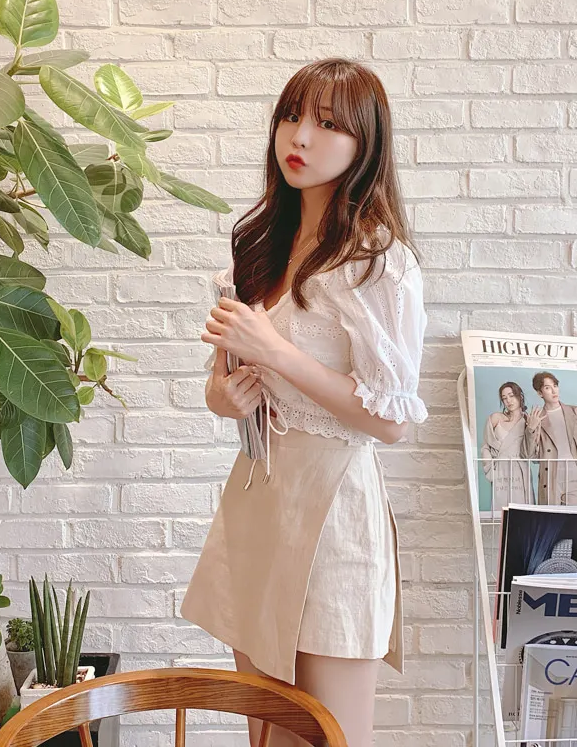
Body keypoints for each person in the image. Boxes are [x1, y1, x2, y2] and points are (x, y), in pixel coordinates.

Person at [180, 58, 428, 747]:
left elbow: (392, 421)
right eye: (291, 116)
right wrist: (224, 396)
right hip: (259, 494)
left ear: (365, 144)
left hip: (334, 510)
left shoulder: (378, 263)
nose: (300, 137)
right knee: (266, 732)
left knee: (328, 736)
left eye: (327, 123)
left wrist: (276, 350)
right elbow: (226, 382)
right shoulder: (260, 244)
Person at [525, 371, 577, 506]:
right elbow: (530, 455)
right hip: (550, 480)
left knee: (574, 518)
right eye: (547, 387)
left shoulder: (576, 413)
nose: (553, 391)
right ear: (539, 393)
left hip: (575, 478)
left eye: (555, 386)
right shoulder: (536, 418)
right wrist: (531, 430)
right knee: (553, 519)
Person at [481, 381, 533, 511]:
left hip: (520, 470)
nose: (508, 401)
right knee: (500, 512)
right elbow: (486, 446)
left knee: (521, 511)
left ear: (520, 396)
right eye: (504, 398)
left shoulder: (528, 420)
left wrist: (532, 428)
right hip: (500, 469)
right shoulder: (495, 418)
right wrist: (490, 471)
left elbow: (532, 451)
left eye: (511, 395)